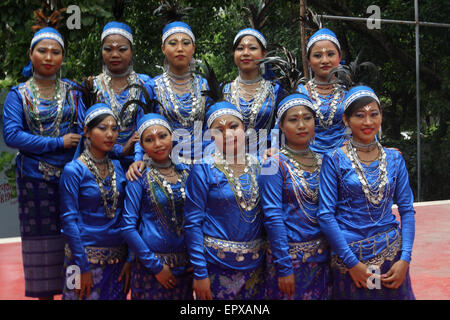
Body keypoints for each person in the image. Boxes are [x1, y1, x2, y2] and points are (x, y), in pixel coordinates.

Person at [2, 9, 84, 299]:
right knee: (40, 245)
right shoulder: (18, 94)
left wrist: (76, 163)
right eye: (42, 51)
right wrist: (57, 143)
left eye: (55, 52)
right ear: (31, 53)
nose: (49, 57)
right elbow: (12, 136)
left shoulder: (73, 92)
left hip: (73, 179)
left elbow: (85, 131)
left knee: (77, 241)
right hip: (35, 179)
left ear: (62, 57)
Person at [317, 85, 416, 300]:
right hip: (351, 258)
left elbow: (407, 210)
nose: (368, 122)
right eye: (360, 116)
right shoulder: (334, 159)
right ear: (346, 120)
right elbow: (325, 215)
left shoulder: (394, 158)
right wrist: (352, 263)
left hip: (391, 255)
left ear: (381, 116)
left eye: (374, 114)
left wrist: (405, 259)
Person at [259, 49, 332, 299]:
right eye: (293, 120)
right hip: (289, 261)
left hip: (324, 260)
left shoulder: (326, 162)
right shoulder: (272, 162)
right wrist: (284, 265)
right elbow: (272, 216)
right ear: (281, 125)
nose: (301, 125)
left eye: (307, 118)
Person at [184, 86, 265, 300]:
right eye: (219, 130)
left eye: (233, 126)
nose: (228, 134)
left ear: (244, 128)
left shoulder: (260, 165)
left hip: (256, 265)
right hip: (215, 265)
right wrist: (200, 273)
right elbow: (192, 223)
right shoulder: (203, 168)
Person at [60, 103, 132, 300]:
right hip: (78, 260)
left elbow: (129, 215)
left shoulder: (118, 167)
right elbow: (68, 221)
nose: (110, 134)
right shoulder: (73, 170)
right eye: (103, 128)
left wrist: (129, 259)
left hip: (117, 259)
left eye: (114, 129)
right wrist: (82, 267)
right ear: (87, 132)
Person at [121, 112, 193, 300]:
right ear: (142, 145)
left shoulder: (187, 171)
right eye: (149, 139)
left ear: (172, 136)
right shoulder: (138, 175)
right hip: (151, 269)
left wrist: (197, 257)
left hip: (186, 266)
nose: (158, 144)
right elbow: (128, 227)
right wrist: (156, 267)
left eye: (163, 136)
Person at [90, 19, 151, 170]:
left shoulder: (145, 84)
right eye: (108, 49)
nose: (115, 54)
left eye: (122, 49)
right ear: (101, 51)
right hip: (100, 160)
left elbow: (145, 126)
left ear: (132, 51)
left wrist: (137, 158)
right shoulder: (91, 86)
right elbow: (87, 131)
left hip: (140, 159)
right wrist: (120, 150)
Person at [223, 26, 281, 157]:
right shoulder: (224, 90)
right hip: (228, 161)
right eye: (240, 48)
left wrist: (274, 149)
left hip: (265, 161)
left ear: (264, 54)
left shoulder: (275, 90)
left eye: (252, 48)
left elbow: (281, 127)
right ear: (234, 54)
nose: (245, 53)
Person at [297, 28, 347, 154]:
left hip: (345, 160)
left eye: (330, 54)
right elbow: (280, 125)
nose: (325, 60)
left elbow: (364, 124)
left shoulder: (348, 94)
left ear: (339, 57)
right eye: (317, 56)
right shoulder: (300, 94)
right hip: (307, 160)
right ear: (308, 61)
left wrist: (376, 148)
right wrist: (274, 147)